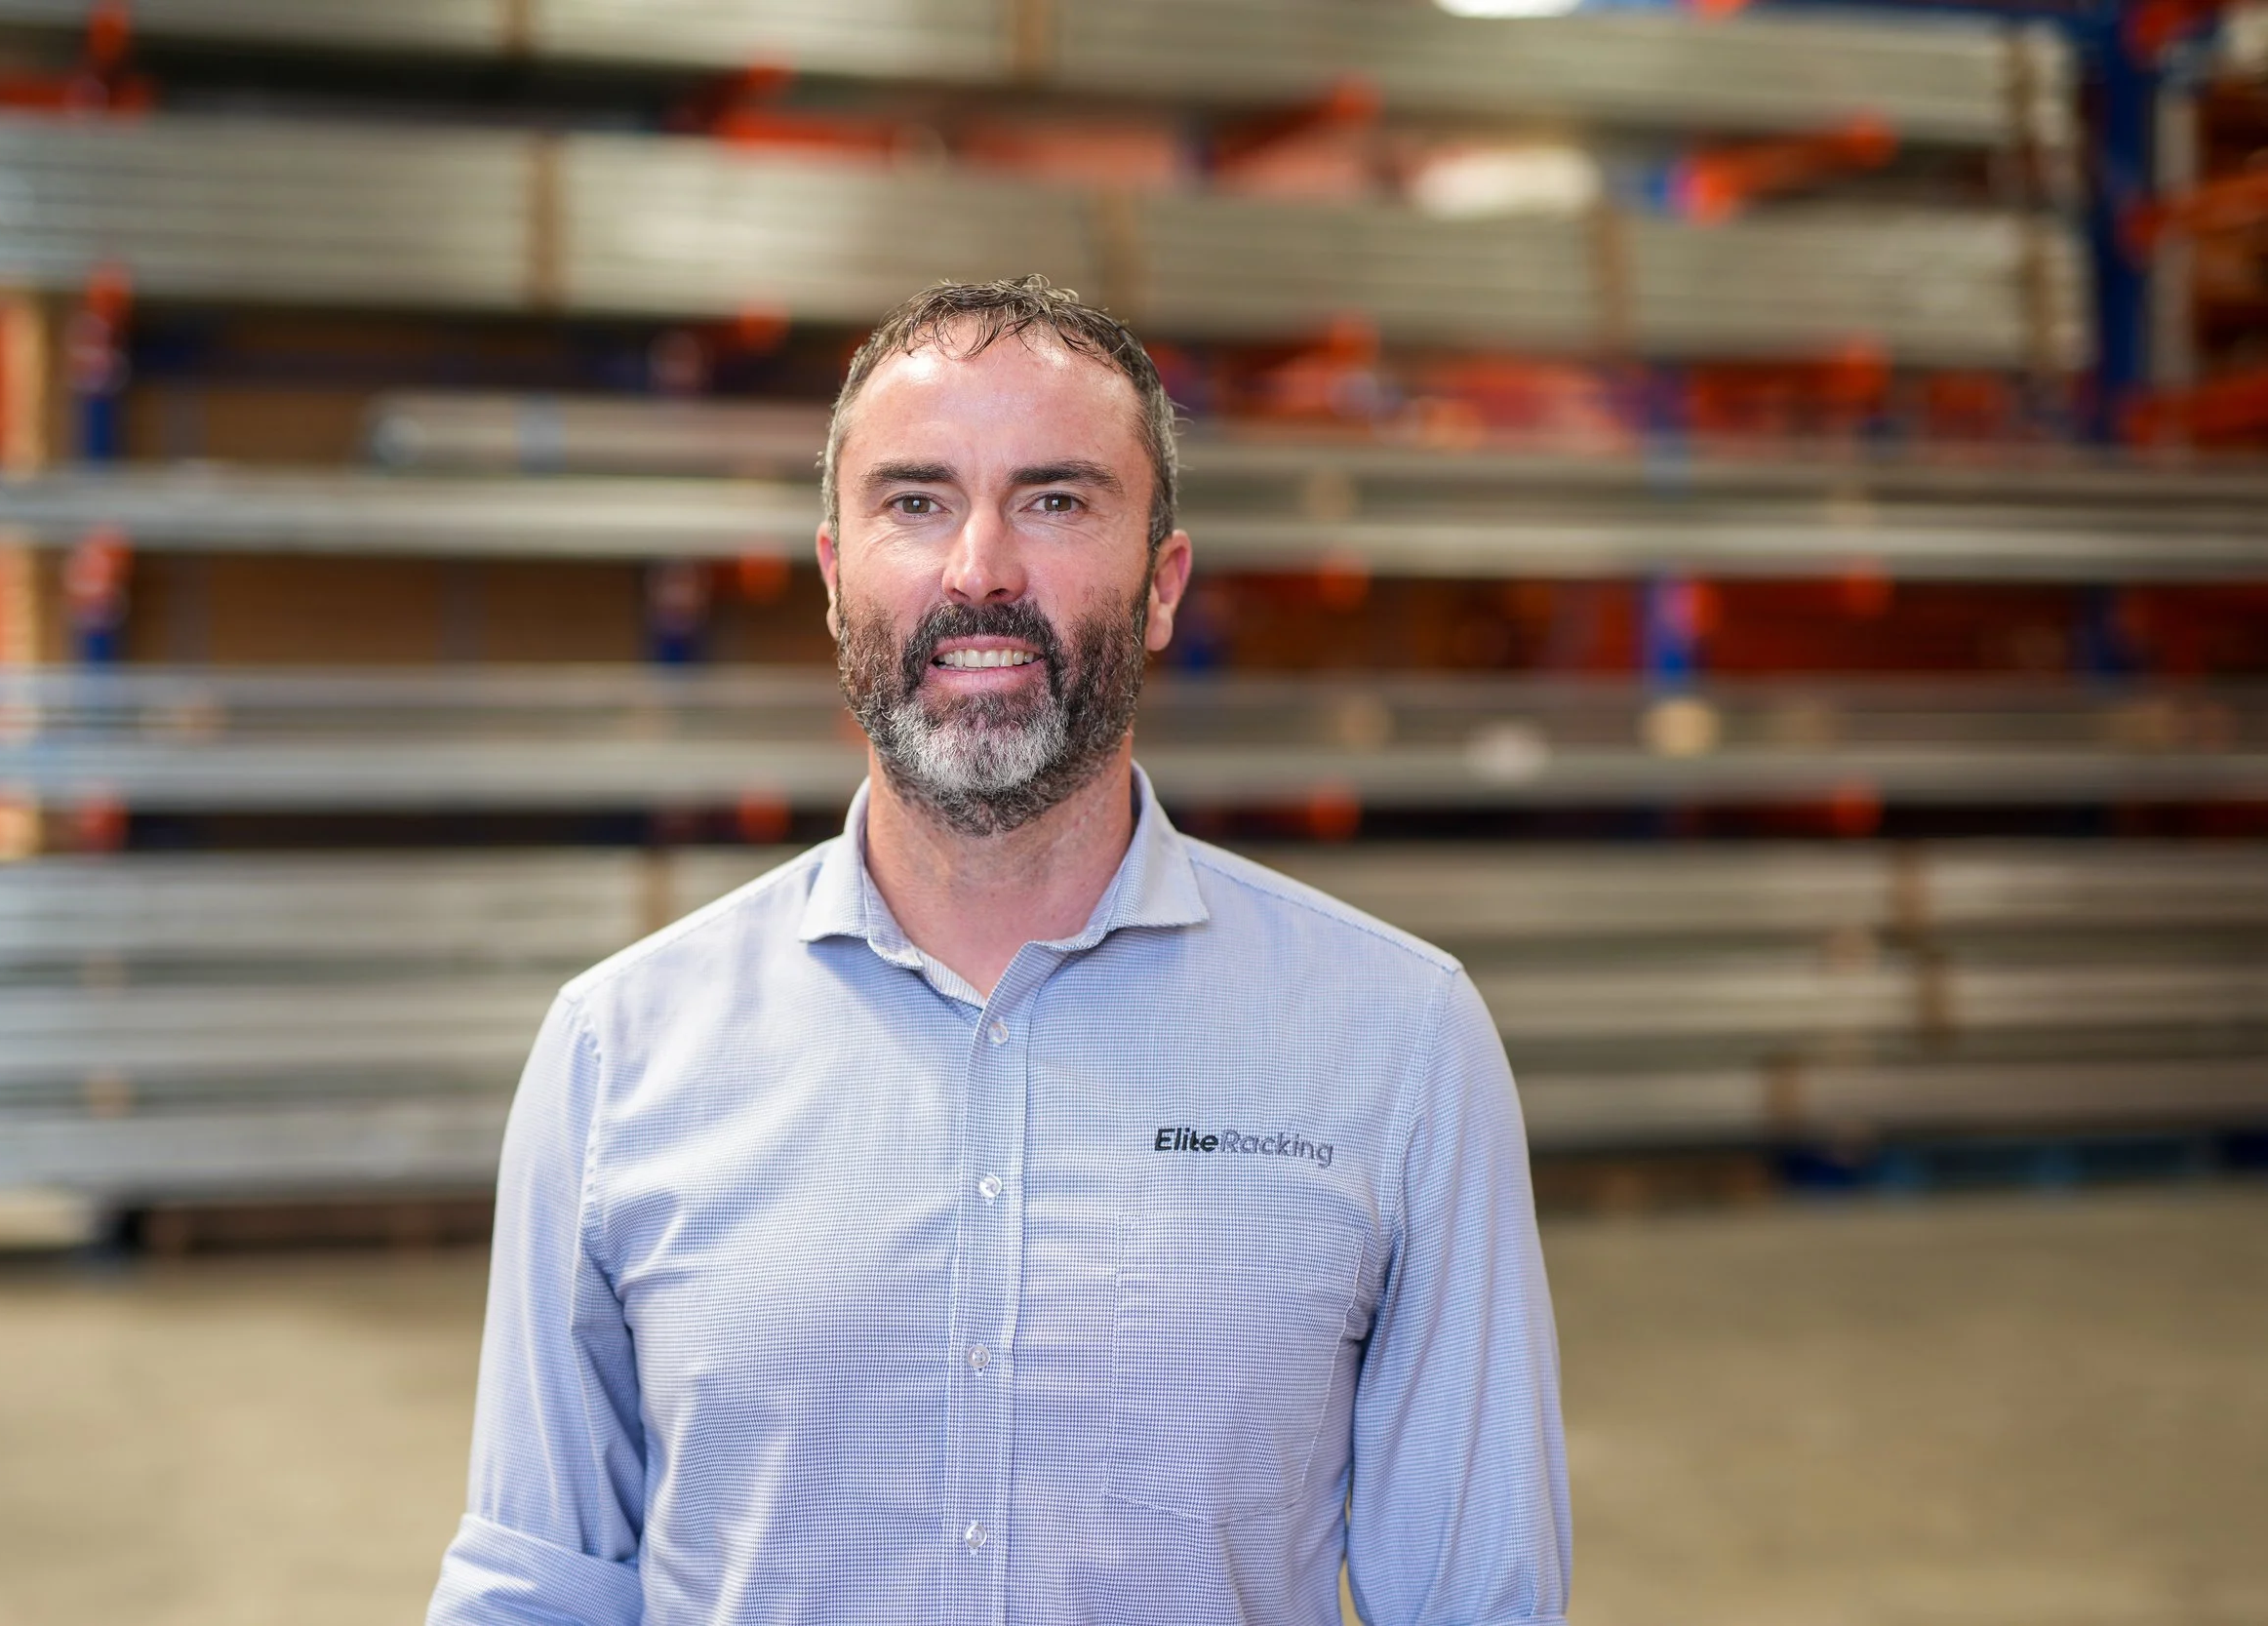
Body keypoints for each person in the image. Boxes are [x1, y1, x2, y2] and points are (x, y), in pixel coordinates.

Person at [427, 276, 1570, 1626]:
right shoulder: (616, 1055)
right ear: (833, 575)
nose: (980, 570)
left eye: (1057, 499)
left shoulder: (1400, 1042)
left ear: (1162, 586)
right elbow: (535, 1589)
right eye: (915, 501)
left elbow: (1481, 1603)